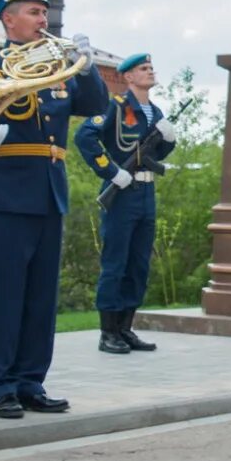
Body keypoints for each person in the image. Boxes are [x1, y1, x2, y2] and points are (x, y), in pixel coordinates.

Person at [0, 0, 107, 419]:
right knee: (2, 295)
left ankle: (29, 380)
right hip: (8, 189)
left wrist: (90, 65)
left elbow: (96, 106)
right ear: (9, 19)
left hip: (49, 189)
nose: (43, 19)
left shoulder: (60, 64)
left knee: (41, 297)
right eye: (34, 12)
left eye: (45, 11)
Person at [73, 52, 176, 354]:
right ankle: (108, 332)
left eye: (151, 67)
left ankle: (126, 328)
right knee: (115, 263)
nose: (150, 71)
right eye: (144, 69)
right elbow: (85, 137)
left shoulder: (154, 112)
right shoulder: (115, 107)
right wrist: (110, 171)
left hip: (146, 194)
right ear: (129, 77)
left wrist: (168, 141)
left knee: (139, 263)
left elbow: (155, 156)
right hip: (121, 191)